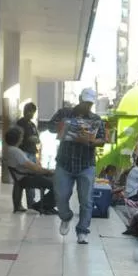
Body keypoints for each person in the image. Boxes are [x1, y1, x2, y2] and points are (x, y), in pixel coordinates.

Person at [52, 88, 107, 244]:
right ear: (79, 99)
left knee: (86, 200)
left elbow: (102, 140)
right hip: (65, 161)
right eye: (85, 102)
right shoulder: (65, 113)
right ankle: (65, 216)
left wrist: (90, 141)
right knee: (60, 195)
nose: (87, 106)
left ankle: (82, 231)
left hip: (86, 163)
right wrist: (60, 128)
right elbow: (50, 126)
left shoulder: (96, 119)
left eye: (89, 103)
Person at [3, 126, 56, 214]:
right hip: (26, 178)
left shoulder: (9, 150)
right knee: (57, 185)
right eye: (21, 137)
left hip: (22, 177)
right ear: (17, 138)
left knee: (53, 182)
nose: (22, 138)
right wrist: (48, 171)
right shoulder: (16, 151)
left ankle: (46, 206)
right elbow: (32, 167)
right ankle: (40, 206)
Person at [14, 102, 41, 211]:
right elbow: (26, 138)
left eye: (33, 112)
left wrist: (34, 139)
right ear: (26, 111)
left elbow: (37, 138)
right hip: (23, 152)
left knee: (32, 178)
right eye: (30, 111)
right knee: (21, 179)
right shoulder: (21, 123)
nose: (32, 114)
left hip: (32, 152)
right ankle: (18, 204)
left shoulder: (32, 124)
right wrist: (32, 138)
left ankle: (31, 202)